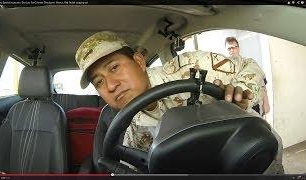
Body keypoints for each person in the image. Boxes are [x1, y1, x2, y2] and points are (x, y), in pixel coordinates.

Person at [75, 31, 281, 173]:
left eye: (114, 68)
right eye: (99, 82)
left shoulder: (188, 67)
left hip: (255, 154)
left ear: (139, 61)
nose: (110, 86)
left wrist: (242, 91)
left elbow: (248, 65)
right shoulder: (131, 135)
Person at [225, 36, 270, 116]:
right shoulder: (225, 67)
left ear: (238, 48)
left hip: (253, 104)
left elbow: (262, 83)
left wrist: (266, 103)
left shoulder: (249, 63)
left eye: (235, 47)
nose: (232, 50)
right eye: (229, 48)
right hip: (234, 108)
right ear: (226, 50)